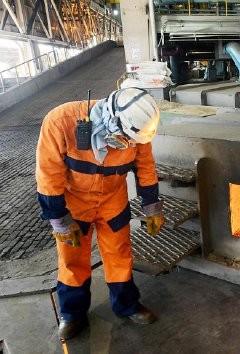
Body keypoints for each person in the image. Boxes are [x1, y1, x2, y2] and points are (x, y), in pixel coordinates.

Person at [35, 87, 165, 340]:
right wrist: (59, 218)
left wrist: (152, 206)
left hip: (113, 202)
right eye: (125, 139)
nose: (128, 146)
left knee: (119, 254)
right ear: (111, 119)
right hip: (74, 206)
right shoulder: (60, 121)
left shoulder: (138, 131)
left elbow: (146, 168)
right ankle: (72, 314)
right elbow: (48, 174)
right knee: (72, 260)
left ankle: (127, 305)